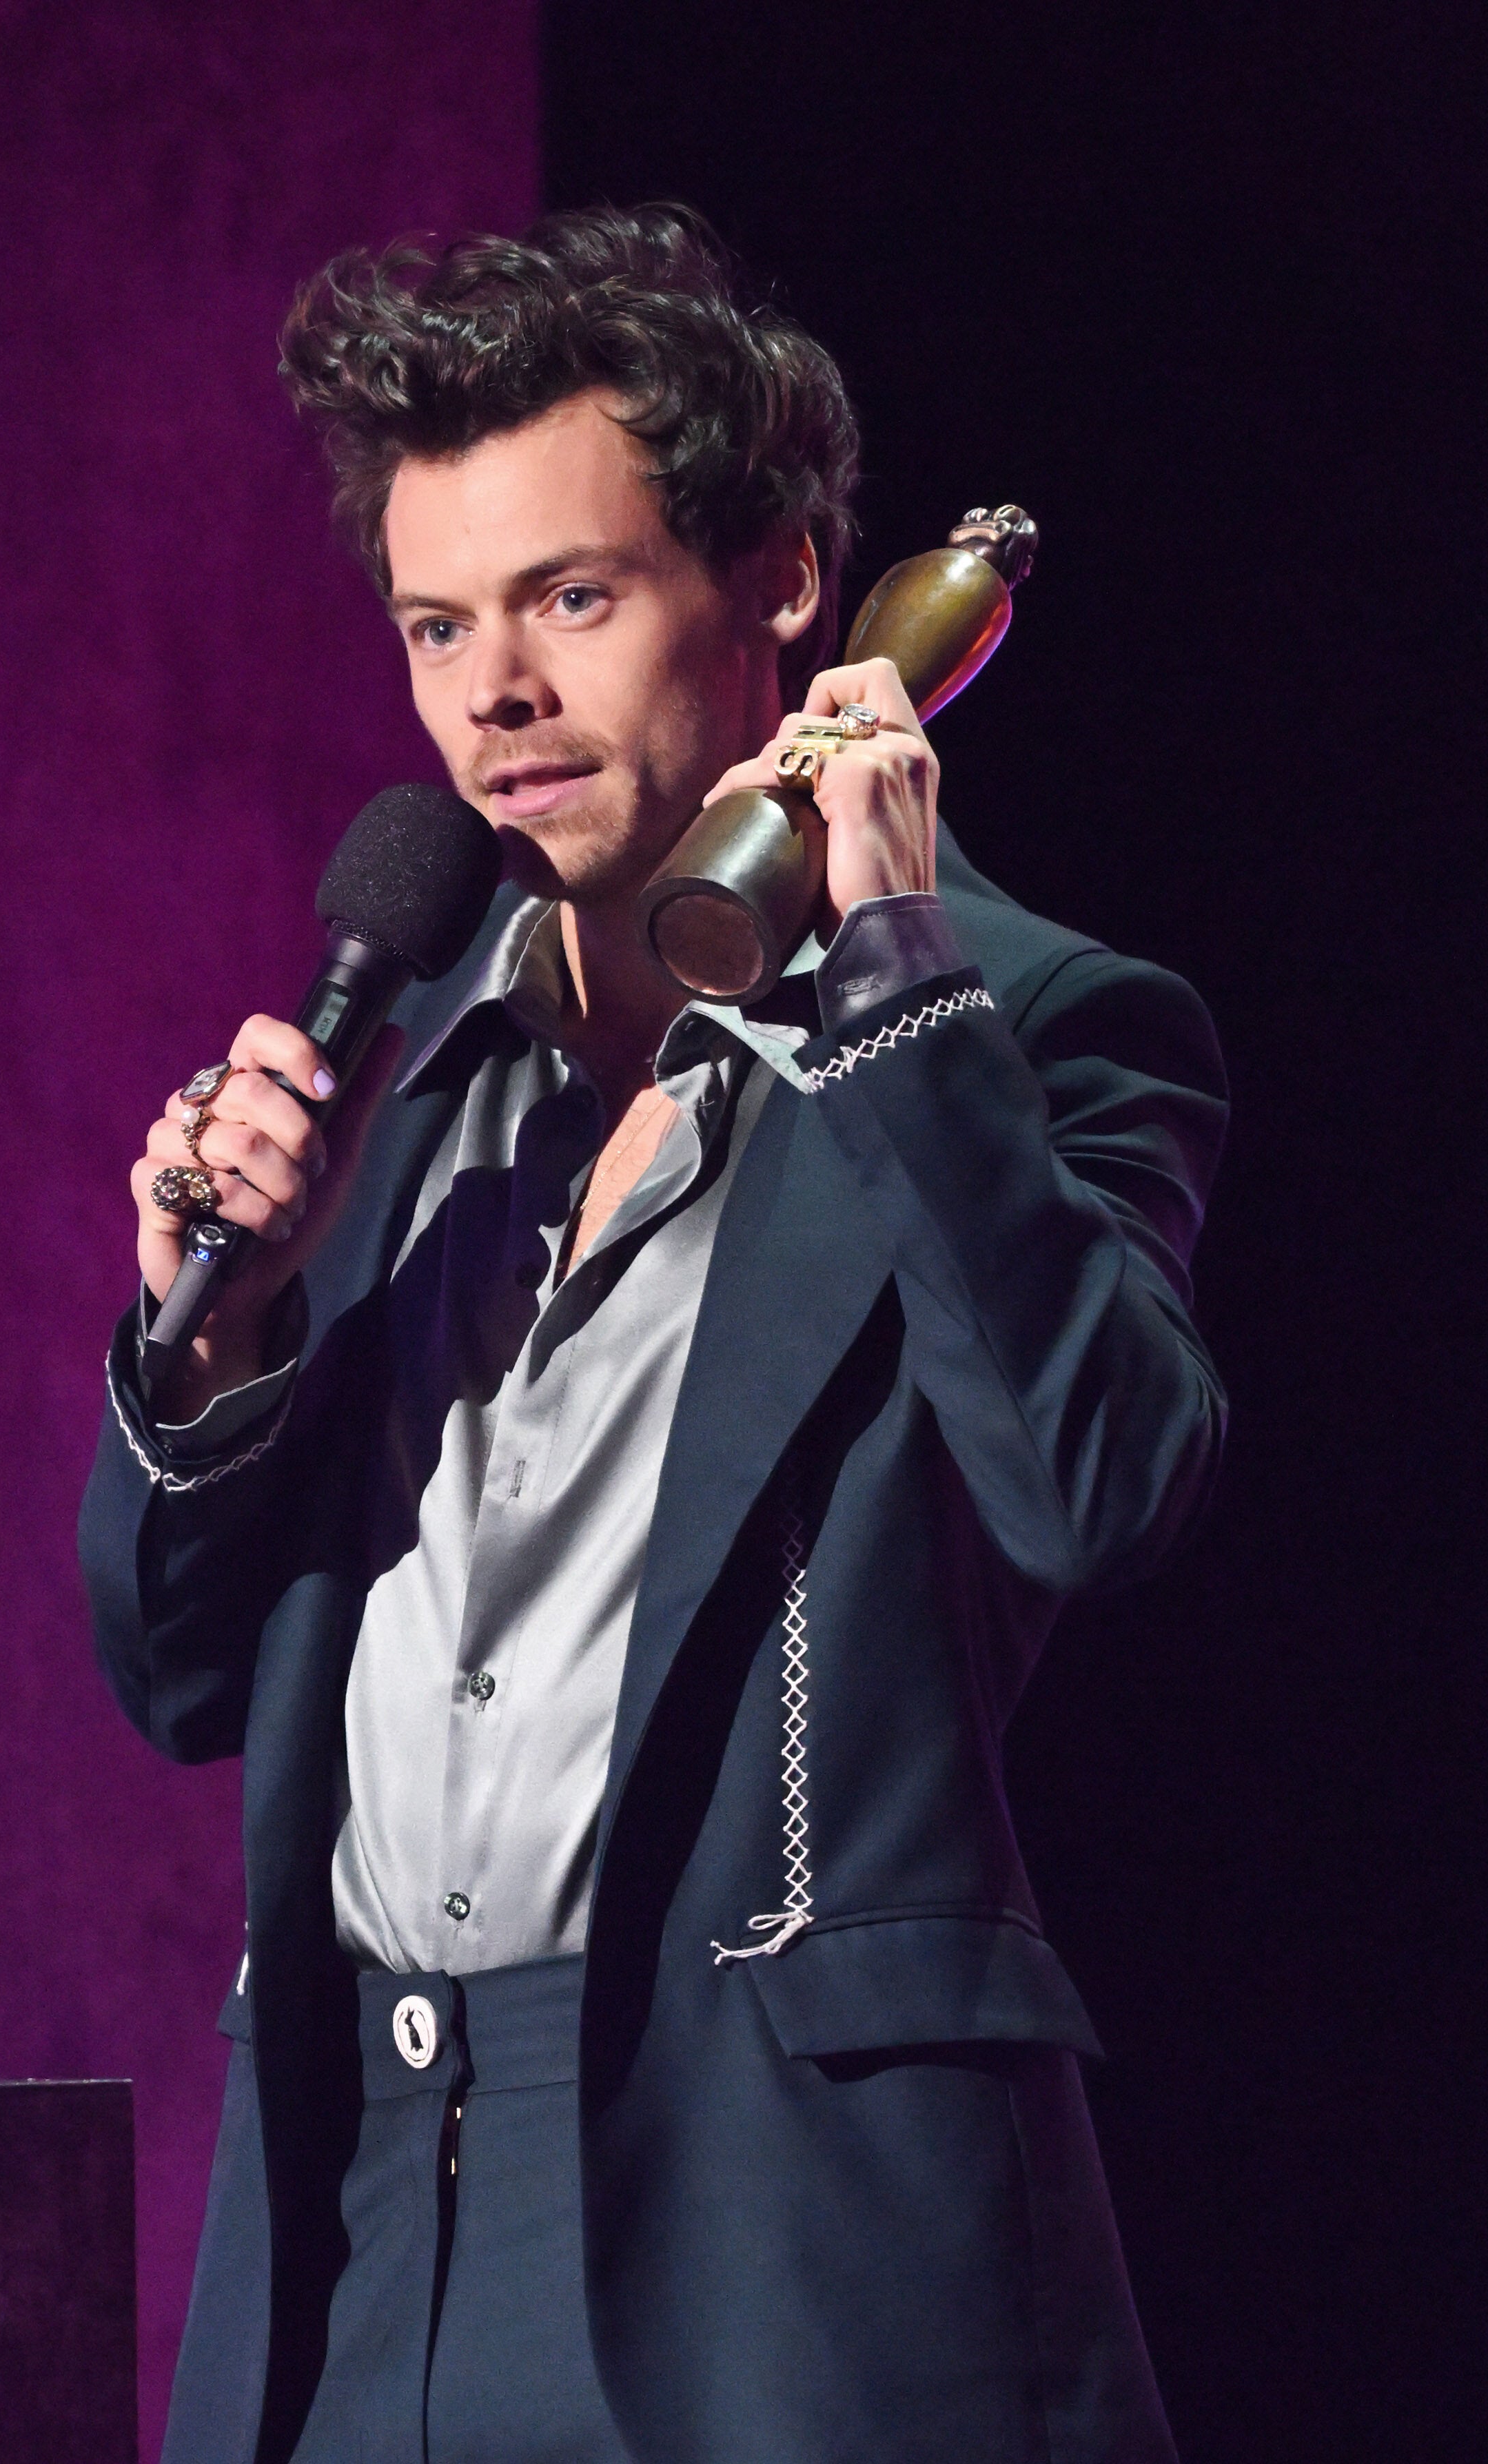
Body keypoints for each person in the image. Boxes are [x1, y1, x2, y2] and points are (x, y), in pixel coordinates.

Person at [83, 204, 1225, 2464]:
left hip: (770, 2228)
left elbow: (1096, 1484)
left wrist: (894, 983)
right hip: (359, 2223)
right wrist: (216, 1346)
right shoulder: (422, 1099)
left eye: (572, 600)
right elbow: (179, 1676)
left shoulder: (1027, 1031)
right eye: (437, 624)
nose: (492, 694)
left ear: (784, 582)